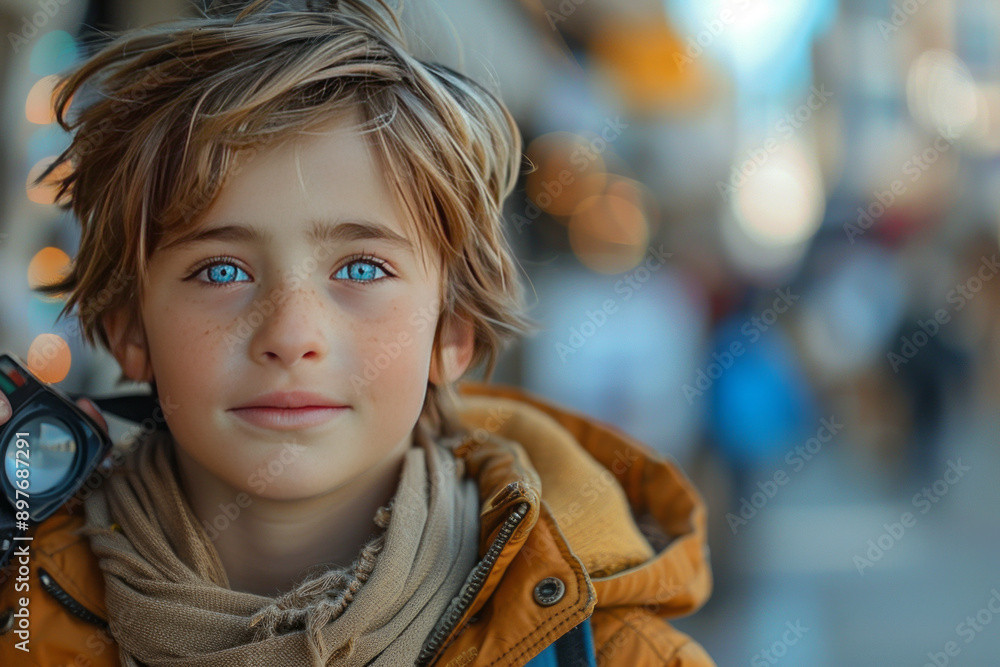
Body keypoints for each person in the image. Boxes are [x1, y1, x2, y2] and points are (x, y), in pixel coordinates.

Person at [0, 1, 715, 664]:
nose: (292, 334)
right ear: (130, 327)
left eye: (363, 268)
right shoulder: (19, 617)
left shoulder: (617, 651)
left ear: (452, 330)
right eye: (221, 271)